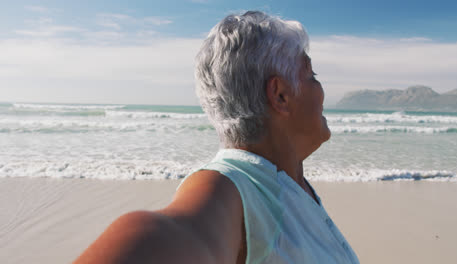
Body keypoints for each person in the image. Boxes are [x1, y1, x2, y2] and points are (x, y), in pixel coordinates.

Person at [74, 11, 360, 264]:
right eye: (312, 75)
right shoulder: (230, 187)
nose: (322, 90)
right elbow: (168, 235)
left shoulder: (289, 184)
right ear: (281, 96)